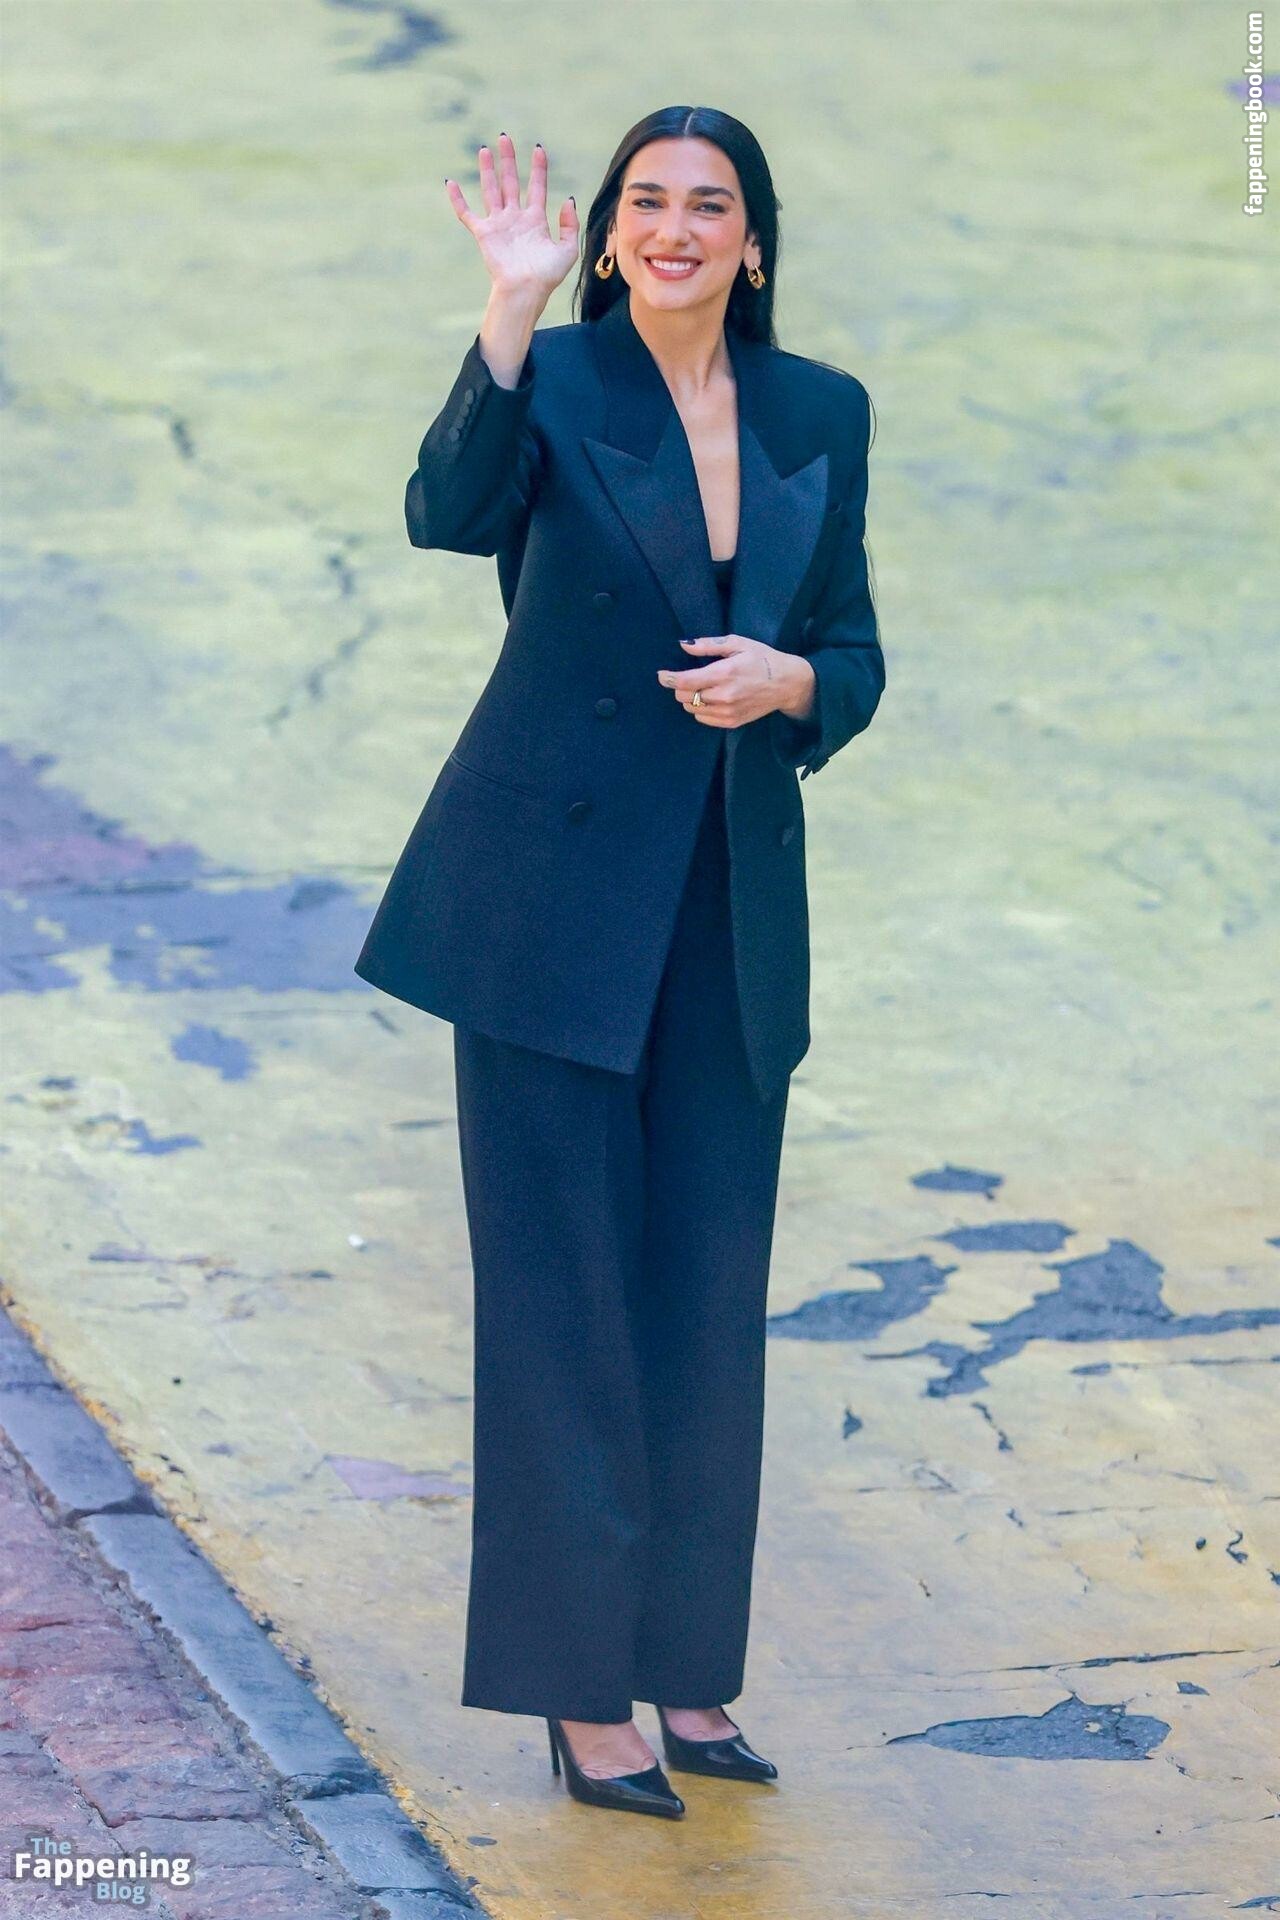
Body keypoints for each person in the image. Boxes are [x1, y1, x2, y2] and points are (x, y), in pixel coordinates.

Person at [354, 106, 884, 1819]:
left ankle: (689, 1675)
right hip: (542, 910)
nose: (673, 227)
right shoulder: (559, 376)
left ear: (754, 240)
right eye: (643, 202)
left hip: (728, 909)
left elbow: (855, 647)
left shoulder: (821, 410)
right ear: (604, 238)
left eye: (707, 205)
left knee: (707, 1302)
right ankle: (584, 1699)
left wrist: (793, 688)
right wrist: (508, 310)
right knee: (562, 1305)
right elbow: (446, 513)